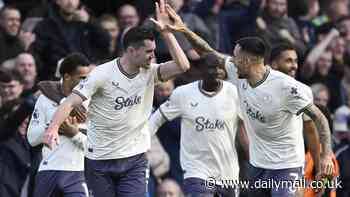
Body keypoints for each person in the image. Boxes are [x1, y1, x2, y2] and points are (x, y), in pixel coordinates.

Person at [164, 5, 334, 197]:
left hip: (286, 166)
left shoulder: (287, 88)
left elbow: (319, 119)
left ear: (247, 60)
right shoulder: (239, 74)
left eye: (236, 57)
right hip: (258, 164)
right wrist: (184, 30)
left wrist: (325, 156)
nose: (231, 61)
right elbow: (208, 52)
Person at [43, 0, 190, 196]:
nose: (153, 56)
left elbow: (183, 66)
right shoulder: (102, 74)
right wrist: (53, 128)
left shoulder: (150, 72)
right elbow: (70, 101)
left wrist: (167, 33)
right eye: (148, 51)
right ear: (131, 51)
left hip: (135, 158)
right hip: (100, 160)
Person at [150, 52, 243, 197]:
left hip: (227, 171)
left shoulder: (233, 92)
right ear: (201, 71)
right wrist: (139, 143)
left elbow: (247, 125)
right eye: (211, 68)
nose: (216, 72)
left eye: (219, 68)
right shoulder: (183, 94)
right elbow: (156, 119)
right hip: (196, 170)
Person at [270, 43, 339, 197]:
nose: (294, 66)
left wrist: (320, 166)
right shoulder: (257, 90)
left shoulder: (301, 94)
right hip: (264, 164)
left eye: (296, 61)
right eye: (289, 61)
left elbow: (326, 190)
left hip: (290, 168)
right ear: (273, 64)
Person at [27, 53, 92, 197]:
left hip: (77, 173)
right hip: (48, 170)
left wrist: (74, 134)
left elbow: (97, 148)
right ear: (67, 76)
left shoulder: (92, 103)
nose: (87, 82)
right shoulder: (45, 99)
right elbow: (32, 139)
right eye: (82, 78)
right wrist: (54, 125)